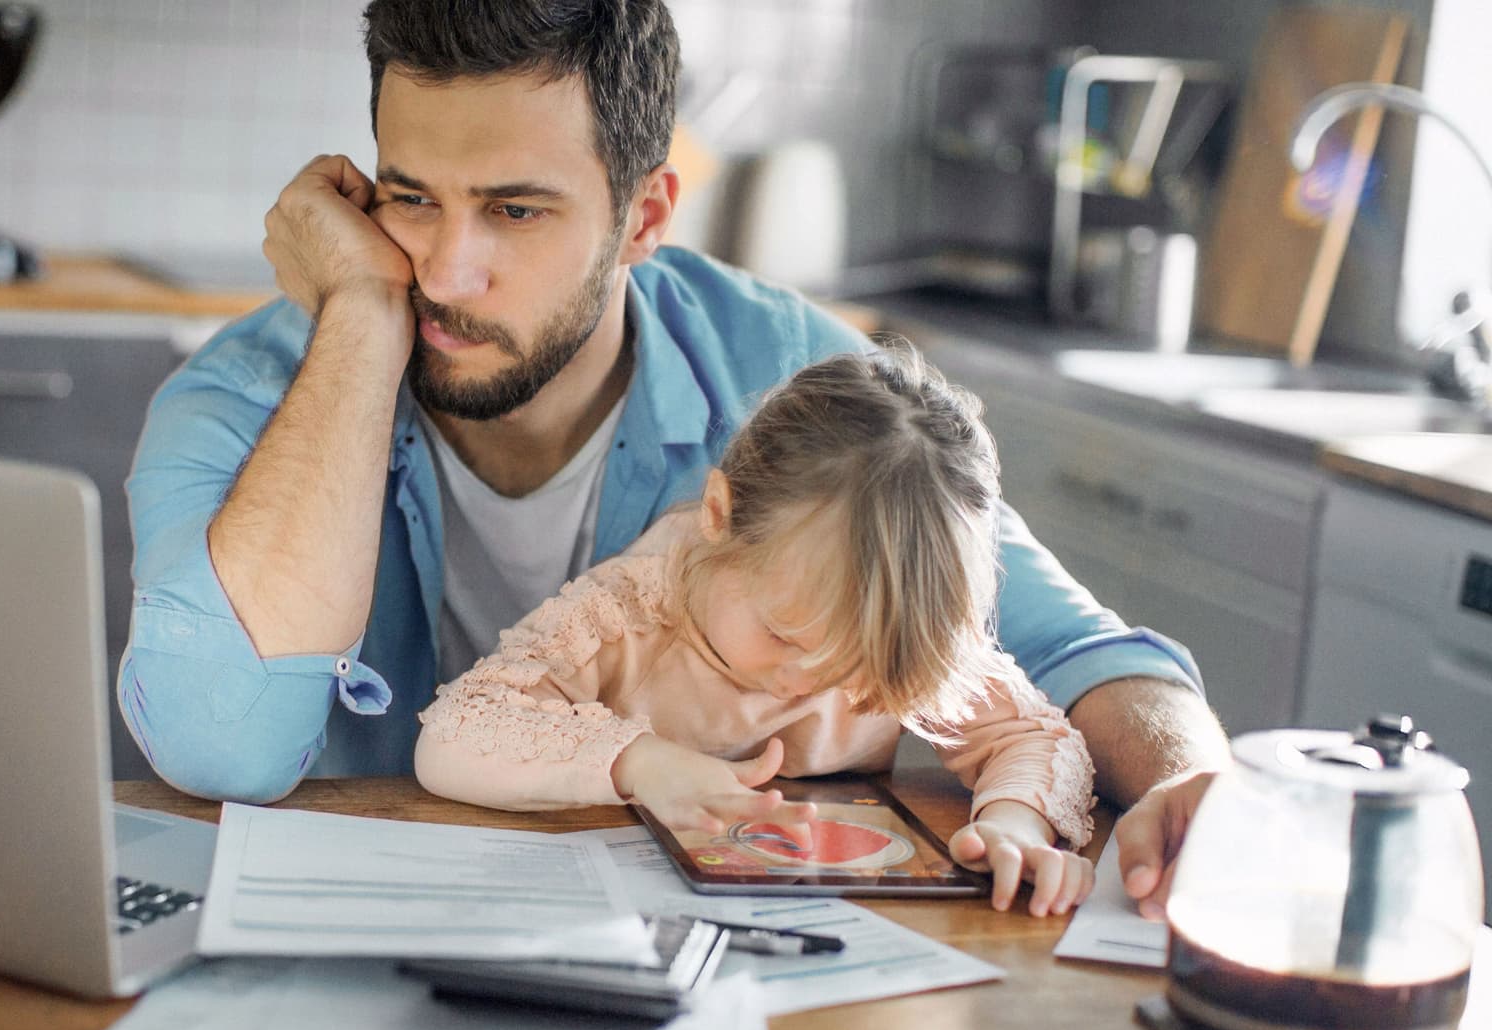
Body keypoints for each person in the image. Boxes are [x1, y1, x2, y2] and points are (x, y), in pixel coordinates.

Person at [116, 0, 1230, 912]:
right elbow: (224, 747)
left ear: (644, 217)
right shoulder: (251, 395)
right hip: (362, 942)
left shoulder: (803, 387)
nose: (447, 273)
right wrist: (361, 317)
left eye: (515, 209)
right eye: (412, 199)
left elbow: (1071, 648)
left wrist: (1191, 785)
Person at [417, 347, 1099, 915]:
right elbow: (456, 731)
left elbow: (1030, 735)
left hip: (812, 914)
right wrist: (641, 762)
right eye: (783, 635)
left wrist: (1013, 823)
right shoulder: (632, 612)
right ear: (719, 514)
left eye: (850, 664)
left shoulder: (885, 626)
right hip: (613, 913)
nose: (806, 681)